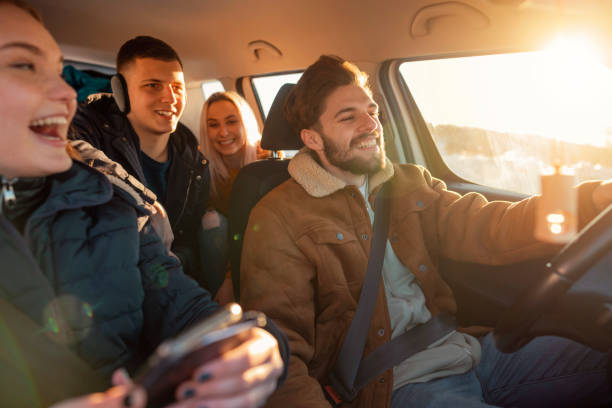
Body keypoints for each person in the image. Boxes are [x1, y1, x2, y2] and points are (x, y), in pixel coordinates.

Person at [239, 54, 612, 407]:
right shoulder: (278, 218)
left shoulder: (407, 182)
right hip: (396, 384)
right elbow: (279, 351)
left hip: (469, 351)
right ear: (312, 139)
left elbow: (489, 225)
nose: (371, 125)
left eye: (372, 111)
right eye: (348, 117)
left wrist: (590, 199)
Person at [0, 1, 287, 407]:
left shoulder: (110, 207)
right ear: (121, 92)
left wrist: (260, 343)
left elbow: (181, 301)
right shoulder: (103, 167)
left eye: (56, 72)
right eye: (24, 66)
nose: (66, 93)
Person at [68, 36, 218, 294]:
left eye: (177, 87)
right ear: (121, 92)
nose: (170, 98)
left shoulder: (194, 164)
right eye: (153, 85)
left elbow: (188, 242)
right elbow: (74, 152)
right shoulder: (87, 130)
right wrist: (142, 202)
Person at [199, 91, 267, 303]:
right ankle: (217, 306)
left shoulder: (267, 162)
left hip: (261, 241)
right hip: (224, 248)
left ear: (245, 122)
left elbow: (259, 228)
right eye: (213, 125)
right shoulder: (202, 167)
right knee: (211, 222)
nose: (224, 132)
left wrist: (231, 278)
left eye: (231, 121)